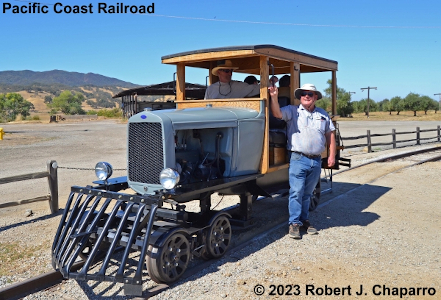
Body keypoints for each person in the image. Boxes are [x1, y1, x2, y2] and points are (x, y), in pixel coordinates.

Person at [268, 83, 336, 239]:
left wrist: (331, 155)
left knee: (307, 194)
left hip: (316, 160)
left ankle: (304, 219)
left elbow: (330, 135)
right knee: (296, 192)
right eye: (303, 93)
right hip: (298, 158)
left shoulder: (322, 114)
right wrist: (273, 96)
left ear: (316, 97)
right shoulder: (293, 111)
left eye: (310, 94)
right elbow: (277, 113)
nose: (306, 96)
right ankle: (294, 223)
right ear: (300, 97)